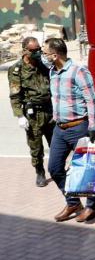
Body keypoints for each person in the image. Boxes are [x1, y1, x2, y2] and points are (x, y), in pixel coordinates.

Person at [44, 38, 95, 223]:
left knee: (86, 170)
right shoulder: (53, 72)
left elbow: (91, 100)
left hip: (78, 127)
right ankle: (73, 202)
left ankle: (92, 207)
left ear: (55, 55)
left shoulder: (79, 71)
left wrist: (92, 126)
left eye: (45, 53)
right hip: (60, 129)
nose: (43, 56)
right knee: (54, 168)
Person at [8, 36, 54, 186]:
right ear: (24, 51)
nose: (37, 52)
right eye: (33, 50)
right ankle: (39, 172)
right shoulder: (16, 70)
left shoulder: (43, 65)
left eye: (39, 49)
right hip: (32, 114)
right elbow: (15, 95)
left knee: (56, 144)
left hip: (49, 110)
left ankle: (57, 169)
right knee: (36, 147)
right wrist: (20, 116)